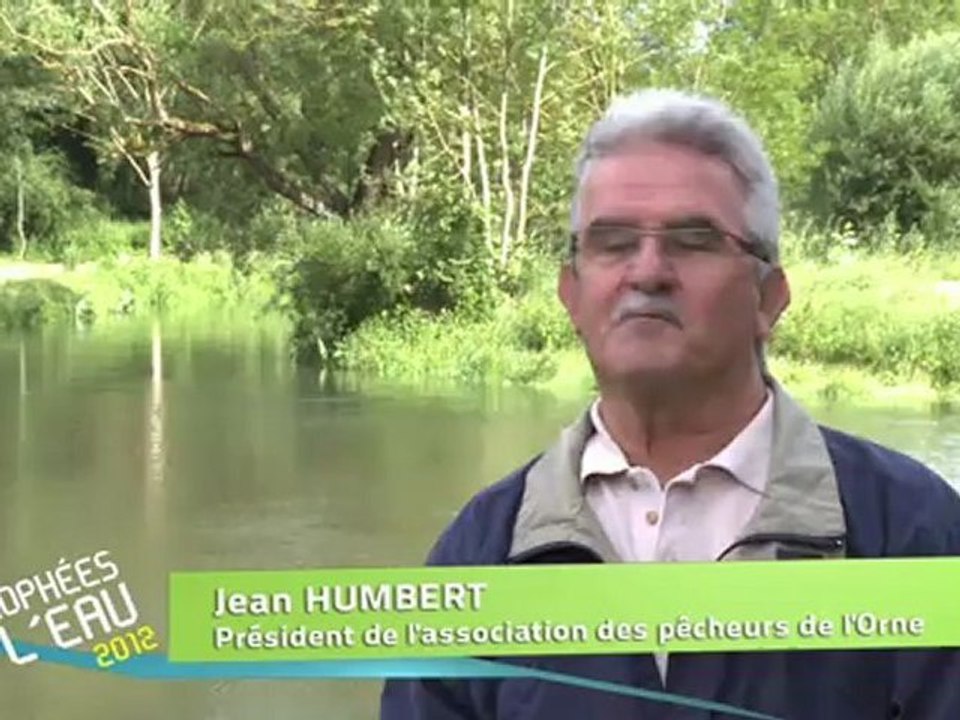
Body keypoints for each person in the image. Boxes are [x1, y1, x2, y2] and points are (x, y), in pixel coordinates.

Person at [380, 88, 960, 719]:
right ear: (572, 296)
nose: (648, 272)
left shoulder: (915, 533)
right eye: (613, 242)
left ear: (769, 298)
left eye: (693, 240)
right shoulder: (480, 553)